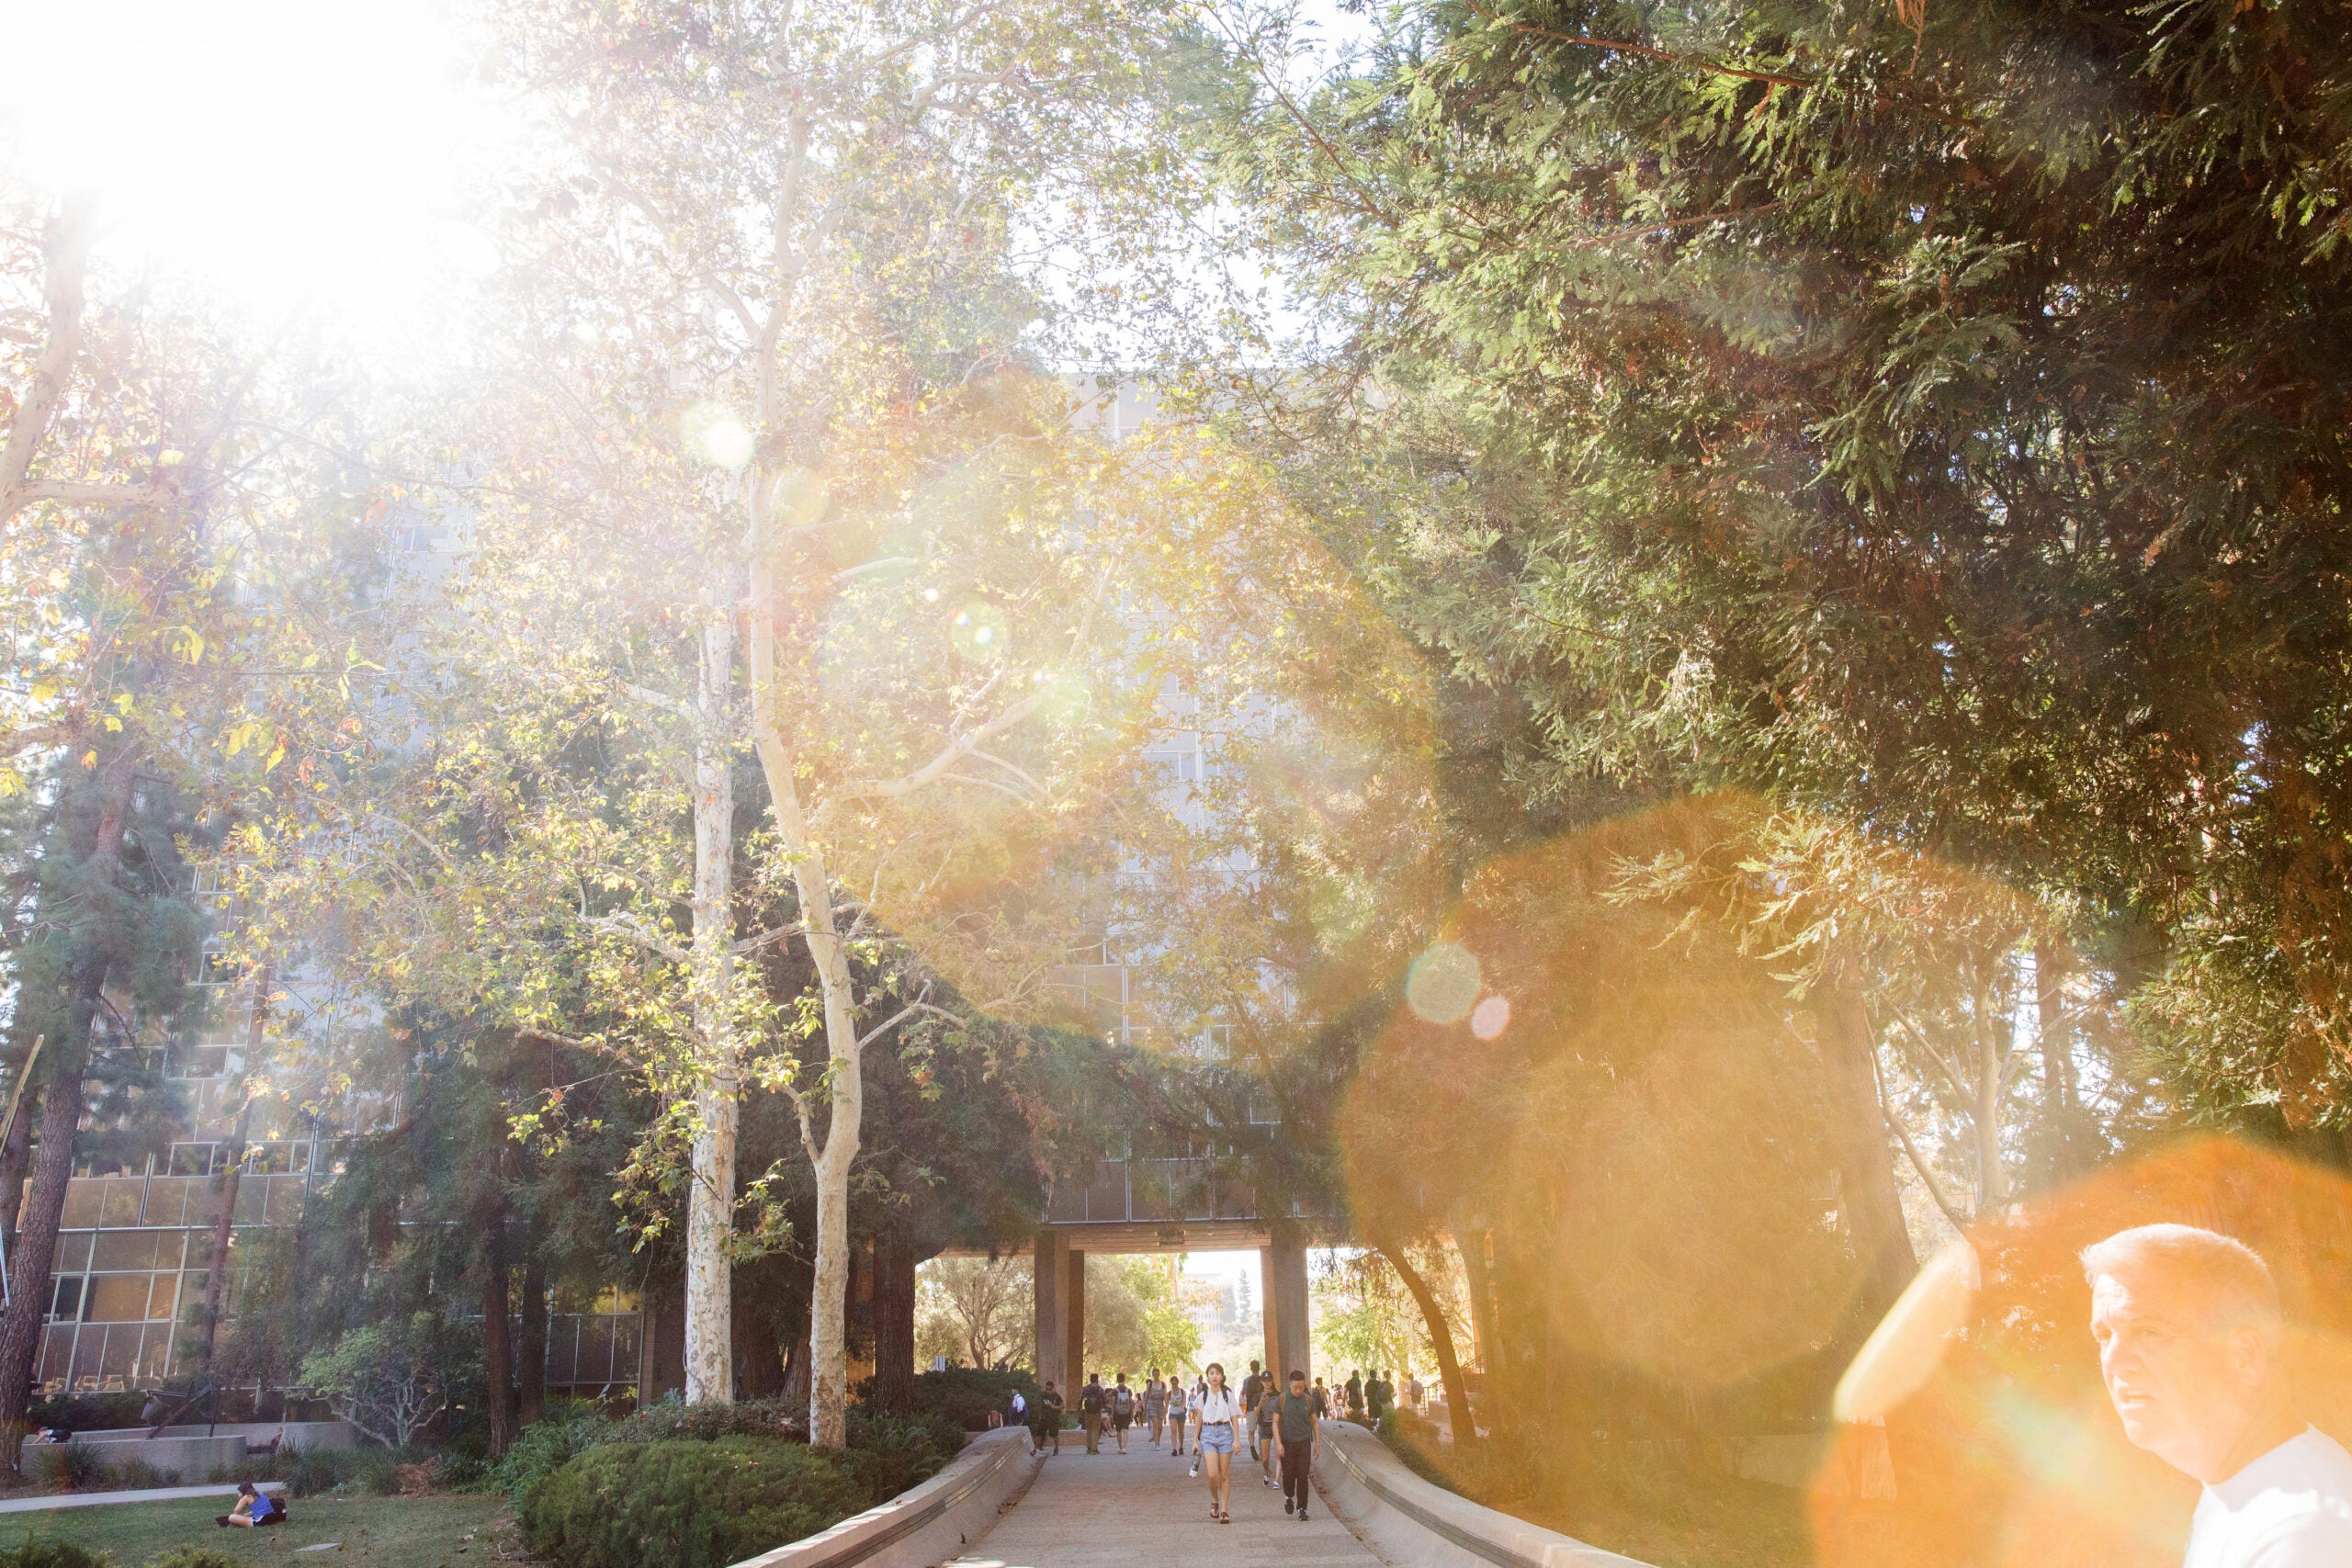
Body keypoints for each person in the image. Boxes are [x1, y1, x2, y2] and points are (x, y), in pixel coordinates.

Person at [2085, 1224, 2352, 1567]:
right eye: (2105, 1336)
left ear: (2245, 1356)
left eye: (2149, 1331)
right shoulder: (2238, 1485)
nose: (2114, 1361)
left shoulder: (2302, 1534)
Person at [1192, 1361, 1244, 1523]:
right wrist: (1195, 1440)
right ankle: (1215, 1499)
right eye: (1211, 1373)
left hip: (1225, 1433)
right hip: (1207, 1434)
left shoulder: (1228, 1395)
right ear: (1208, 1377)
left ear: (1222, 1376)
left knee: (1224, 1474)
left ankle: (1224, 1510)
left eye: (1217, 1373)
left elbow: (1234, 1418)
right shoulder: (1203, 1396)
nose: (1214, 1376)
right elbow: (1199, 1419)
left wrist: (1236, 1439)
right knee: (1212, 1473)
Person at [1276, 1370, 1320, 1521]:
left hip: (1304, 1443)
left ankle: (1302, 1508)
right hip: (1287, 1443)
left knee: (1303, 1476)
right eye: (1296, 1387)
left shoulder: (1308, 1401)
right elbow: (1275, 1423)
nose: (1298, 1390)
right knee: (1289, 1475)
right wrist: (1278, 1442)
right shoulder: (1282, 1400)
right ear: (1290, 1385)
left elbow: (1314, 1422)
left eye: (1301, 1387)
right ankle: (1289, 1496)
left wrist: (1317, 1444)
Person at [218, 1482, 286, 1529]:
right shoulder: (260, 1493)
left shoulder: (247, 1497)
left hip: (261, 1520)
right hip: (271, 1517)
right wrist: (244, 1516)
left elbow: (236, 1512)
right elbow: (257, 1510)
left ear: (243, 1491)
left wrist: (241, 1499)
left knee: (231, 1517)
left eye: (240, 1492)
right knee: (245, 1516)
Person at [1255, 1371, 1280, 1487]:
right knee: (1265, 1458)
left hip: (1276, 1426)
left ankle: (1277, 1479)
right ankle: (1267, 1471)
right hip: (1264, 1427)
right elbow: (1255, 1413)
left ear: (1272, 1381)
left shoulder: (1278, 1395)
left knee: (1279, 1454)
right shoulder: (1258, 1395)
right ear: (1261, 1382)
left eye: (1269, 1380)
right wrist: (1261, 1401)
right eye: (1264, 1381)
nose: (1267, 1383)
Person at [1241, 1359, 1265, 1462]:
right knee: (1261, 1431)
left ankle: (1252, 1446)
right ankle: (1262, 1453)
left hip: (1250, 1408)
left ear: (1251, 1368)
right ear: (1259, 1368)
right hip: (1262, 1408)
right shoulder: (1263, 1380)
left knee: (1251, 1431)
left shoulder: (1246, 1381)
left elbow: (1243, 1394)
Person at [1033, 1381, 1065, 1456]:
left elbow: (1063, 1406)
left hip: (1053, 1418)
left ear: (1053, 1389)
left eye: (1050, 1389)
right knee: (1039, 1434)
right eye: (1047, 1389)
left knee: (1054, 1435)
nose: (1048, 1391)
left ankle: (1056, 1448)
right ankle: (1035, 1449)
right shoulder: (1043, 1396)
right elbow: (1040, 1404)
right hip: (1044, 1418)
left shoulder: (1057, 1396)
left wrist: (1055, 1407)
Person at [1080, 1372, 1105, 1454]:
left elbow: (1080, 1398)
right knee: (1095, 1429)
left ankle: (1089, 1448)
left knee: (1089, 1429)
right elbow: (1105, 1399)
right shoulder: (1099, 1389)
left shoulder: (1086, 1388)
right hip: (1097, 1411)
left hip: (1087, 1411)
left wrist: (1079, 1408)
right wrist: (1103, 1407)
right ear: (1097, 1379)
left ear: (1090, 1379)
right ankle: (1095, 1448)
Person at [1112, 1372, 1136, 1453]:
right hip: (1127, 1412)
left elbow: (1113, 1402)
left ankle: (1120, 1447)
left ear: (1117, 1379)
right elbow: (1131, 1402)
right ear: (1124, 1379)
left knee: (1118, 1430)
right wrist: (1132, 1412)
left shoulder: (1115, 1391)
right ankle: (1124, 1448)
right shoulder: (1128, 1390)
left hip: (1117, 1412)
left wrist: (1112, 1412)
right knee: (1125, 1430)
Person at [1145, 1368, 1168, 1448]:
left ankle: (1156, 1438)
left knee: (1160, 1427)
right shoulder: (1149, 1385)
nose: (1156, 1376)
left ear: (1159, 1374)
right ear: (1153, 1375)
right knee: (1155, 1424)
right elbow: (1147, 1396)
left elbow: (1165, 1396)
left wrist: (1166, 1407)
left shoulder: (1163, 1384)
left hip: (1160, 1404)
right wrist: (1145, 1407)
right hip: (1152, 1404)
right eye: (1154, 1374)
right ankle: (1157, 1444)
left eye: (1157, 1374)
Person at [1168, 1371, 1188, 1458]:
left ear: (1178, 1383)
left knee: (1181, 1432)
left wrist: (1182, 1408)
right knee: (1173, 1431)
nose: (1174, 1385)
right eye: (1172, 1384)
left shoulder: (1182, 1392)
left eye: (1175, 1384)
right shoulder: (1169, 1393)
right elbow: (1166, 1403)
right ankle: (1174, 1449)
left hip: (1181, 1413)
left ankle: (1181, 1447)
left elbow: (1184, 1402)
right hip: (1172, 1413)